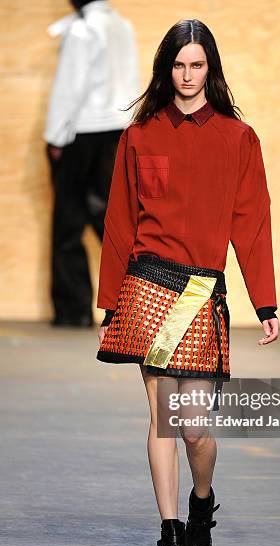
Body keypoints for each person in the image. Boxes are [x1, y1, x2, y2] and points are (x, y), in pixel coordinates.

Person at [96, 18, 279, 546]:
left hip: (202, 289)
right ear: (165, 68)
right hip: (149, 286)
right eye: (178, 64)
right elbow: (120, 220)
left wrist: (265, 300)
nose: (187, 75)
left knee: (195, 429)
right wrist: (109, 301)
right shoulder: (141, 135)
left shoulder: (237, 138)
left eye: (197, 65)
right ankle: (171, 541)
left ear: (211, 69)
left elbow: (252, 225)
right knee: (162, 421)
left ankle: (202, 505)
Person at [43, 0, 140, 327]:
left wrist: (56, 137)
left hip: (81, 132)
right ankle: (136, 304)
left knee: (68, 222)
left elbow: (68, 89)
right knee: (109, 219)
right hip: (117, 131)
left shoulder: (83, 30)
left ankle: (74, 311)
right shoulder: (123, 25)